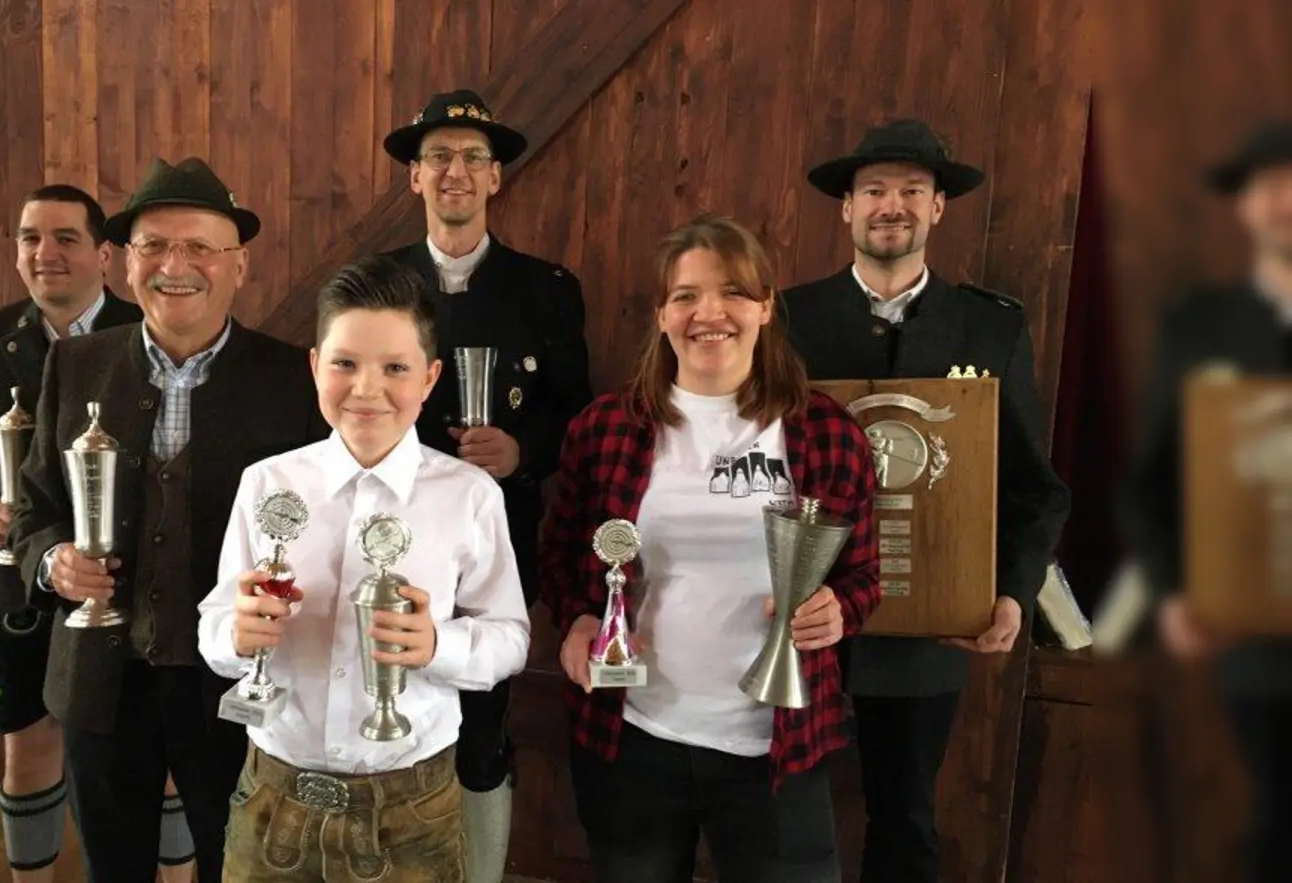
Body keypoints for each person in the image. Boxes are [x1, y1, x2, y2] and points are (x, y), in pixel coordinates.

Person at [5, 157, 325, 883]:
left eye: (199, 248)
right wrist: (52, 558)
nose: (175, 266)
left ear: (238, 265)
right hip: (99, 681)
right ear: (123, 263)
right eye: (153, 246)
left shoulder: (294, 382)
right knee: (111, 868)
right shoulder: (76, 366)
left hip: (240, 687)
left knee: (235, 865)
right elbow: (35, 510)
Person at [540, 214, 881, 882]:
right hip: (633, 738)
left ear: (765, 305)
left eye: (731, 292)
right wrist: (582, 619)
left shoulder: (827, 433)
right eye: (686, 295)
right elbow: (563, 557)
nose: (709, 313)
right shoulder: (606, 427)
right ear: (663, 314)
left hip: (778, 747)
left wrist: (841, 609)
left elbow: (863, 572)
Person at [780, 119, 1071, 883]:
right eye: (874, 189)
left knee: (906, 822)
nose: (892, 205)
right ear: (846, 207)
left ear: (939, 208)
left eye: (913, 190)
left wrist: (1011, 593)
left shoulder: (991, 325)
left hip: (928, 626)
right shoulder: (782, 320)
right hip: (796, 614)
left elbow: (1034, 488)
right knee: (776, 812)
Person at [200, 254, 532, 881]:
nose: (367, 388)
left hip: (412, 809)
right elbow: (217, 623)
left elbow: (510, 638)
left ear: (431, 378)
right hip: (274, 795)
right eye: (344, 363)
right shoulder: (267, 483)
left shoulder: (469, 495)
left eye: (396, 368)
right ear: (314, 365)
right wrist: (235, 635)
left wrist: (439, 643)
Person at [0, 185, 198, 880]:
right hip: (17, 588)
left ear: (106, 254)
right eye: (29, 237)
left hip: (130, 591)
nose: (45, 253)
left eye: (65, 237)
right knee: (28, 750)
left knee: (157, 760)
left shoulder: (158, 329)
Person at [380, 88, 593, 881]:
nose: (455, 172)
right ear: (415, 177)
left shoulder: (547, 288)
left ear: (497, 176)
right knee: (392, 701)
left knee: (482, 713)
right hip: (394, 540)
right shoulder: (378, 285)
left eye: (473, 158)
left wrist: (524, 450)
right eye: (438, 157)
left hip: (501, 536)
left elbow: (576, 405)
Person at [1121, 119, 1292, 883]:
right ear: (1246, 205)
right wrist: (1176, 587)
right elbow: (1151, 478)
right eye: (1269, 182)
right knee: (1277, 826)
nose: (1286, 198)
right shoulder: (1199, 327)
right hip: (1254, 644)